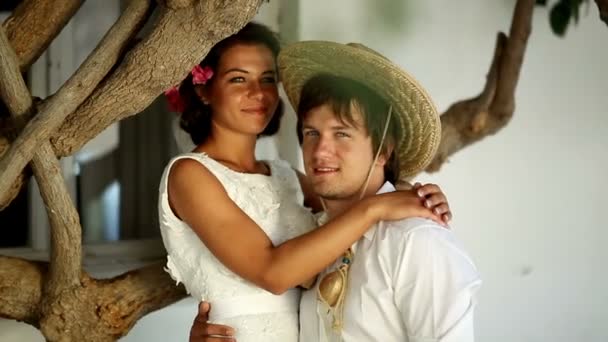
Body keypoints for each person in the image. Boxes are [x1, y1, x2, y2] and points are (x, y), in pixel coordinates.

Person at [159, 24, 453, 342]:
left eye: (268, 79)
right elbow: (274, 274)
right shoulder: (189, 174)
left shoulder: (285, 176)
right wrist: (377, 208)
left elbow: (346, 198)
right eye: (238, 78)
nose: (258, 93)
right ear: (203, 89)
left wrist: (418, 195)